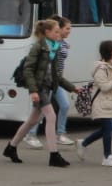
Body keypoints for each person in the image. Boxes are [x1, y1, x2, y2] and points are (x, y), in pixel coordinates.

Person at [2, 19, 76, 167]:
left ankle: (11, 147)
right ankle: (54, 155)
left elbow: (56, 75)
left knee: (32, 120)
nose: (58, 33)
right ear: (47, 33)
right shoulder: (38, 47)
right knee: (51, 116)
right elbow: (28, 70)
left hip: (46, 87)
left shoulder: (53, 48)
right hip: (39, 88)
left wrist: (72, 88)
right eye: (56, 31)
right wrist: (33, 91)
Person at [25, 15, 75, 149]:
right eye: (66, 29)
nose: (68, 31)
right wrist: (34, 89)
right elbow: (30, 68)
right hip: (46, 82)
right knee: (43, 112)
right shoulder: (46, 45)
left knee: (63, 106)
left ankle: (60, 134)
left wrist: (72, 87)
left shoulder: (59, 44)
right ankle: (32, 136)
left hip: (55, 81)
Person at [78, 39, 112, 166]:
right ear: (110, 52)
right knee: (108, 128)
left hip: (109, 102)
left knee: (107, 128)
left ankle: (84, 143)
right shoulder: (100, 68)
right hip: (101, 102)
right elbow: (104, 87)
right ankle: (107, 156)